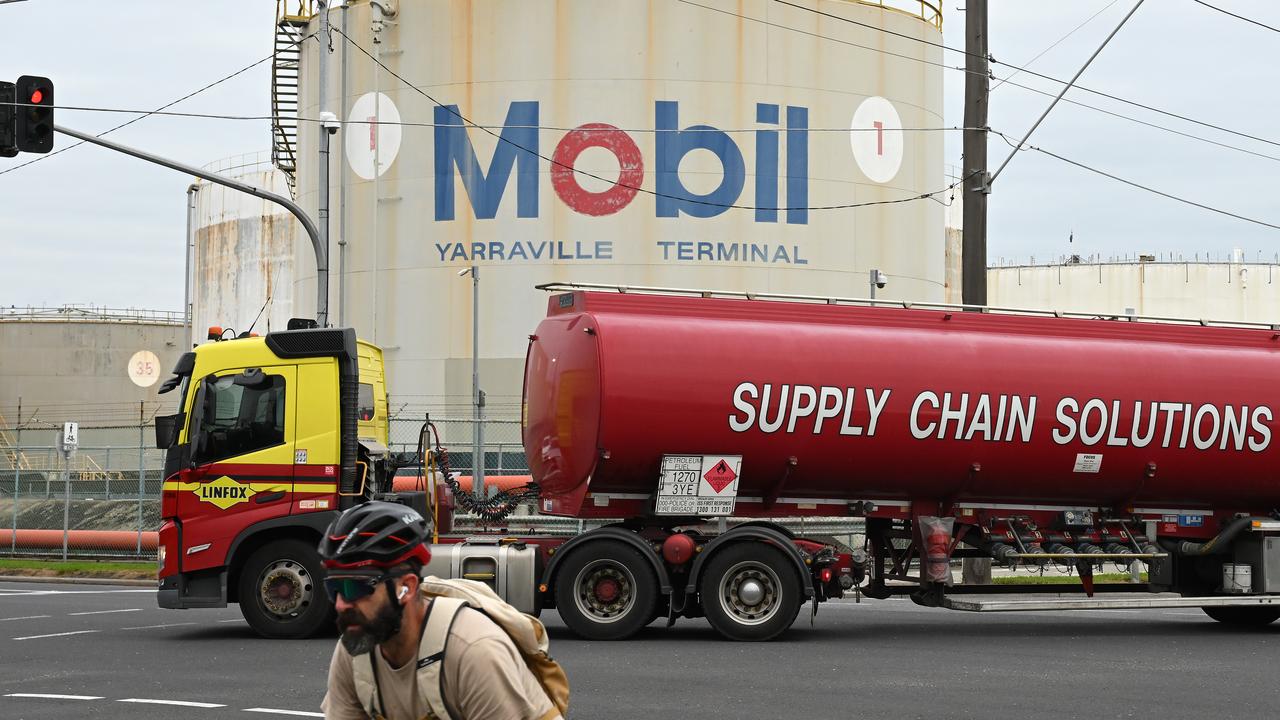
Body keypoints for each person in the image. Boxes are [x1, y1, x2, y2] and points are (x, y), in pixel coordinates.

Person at [318, 502, 561, 720]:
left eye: (356, 587)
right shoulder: (355, 649)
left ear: (407, 587)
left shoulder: (474, 651)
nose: (341, 604)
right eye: (333, 588)